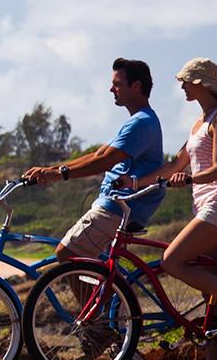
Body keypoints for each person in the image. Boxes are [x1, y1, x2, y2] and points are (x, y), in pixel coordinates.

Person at [22, 57, 166, 261]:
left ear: (136, 86)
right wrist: (51, 170)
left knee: (67, 255)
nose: (111, 89)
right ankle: (109, 293)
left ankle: (102, 294)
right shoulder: (138, 120)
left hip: (116, 207)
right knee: (95, 271)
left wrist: (59, 175)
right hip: (115, 205)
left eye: (117, 84)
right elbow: (98, 154)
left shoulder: (141, 123)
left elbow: (105, 161)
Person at [157, 58, 217, 337]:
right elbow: (175, 164)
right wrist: (135, 182)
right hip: (204, 205)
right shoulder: (198, 123)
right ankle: (215, 359)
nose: (183, 87)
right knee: (210, 286)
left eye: (186, 81)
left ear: (200, 83)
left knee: (171, 261)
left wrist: (187, 179)